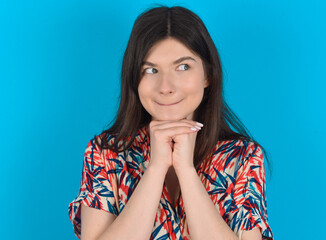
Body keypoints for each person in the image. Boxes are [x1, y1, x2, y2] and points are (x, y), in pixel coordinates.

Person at [68, 6, 274, 240]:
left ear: (208, 74)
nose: (165, 86)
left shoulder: (243, 157)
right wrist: (156, 169)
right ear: (134, 78)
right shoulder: (105, 153)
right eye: (151, 70)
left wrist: (186, 171)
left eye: (183, 67)